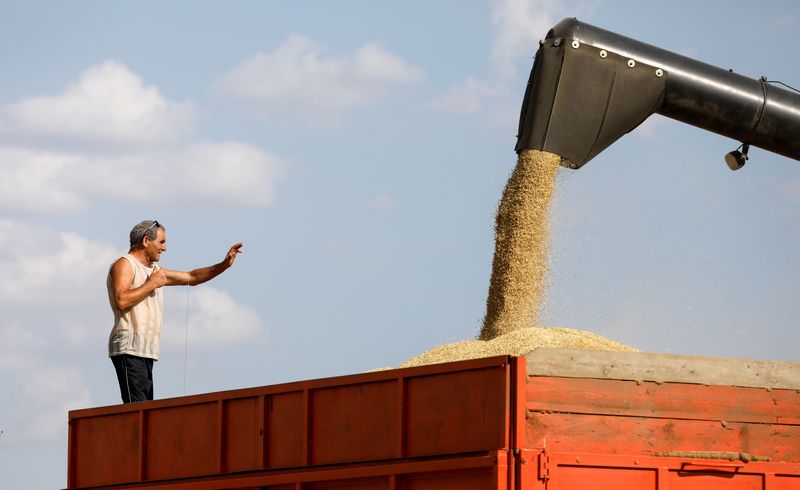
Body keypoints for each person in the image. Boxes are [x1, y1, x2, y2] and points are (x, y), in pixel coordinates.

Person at [106, 219, 242, 403]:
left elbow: (191, 277)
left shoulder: (155, 271)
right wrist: (152, 283)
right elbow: (121, 300)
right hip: (129, 348)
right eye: (161, 242)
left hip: (145, 351)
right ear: (146, 241)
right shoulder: (125, 264)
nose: (165, 248)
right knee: (137, 410)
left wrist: (223, 265)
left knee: (145, 410)